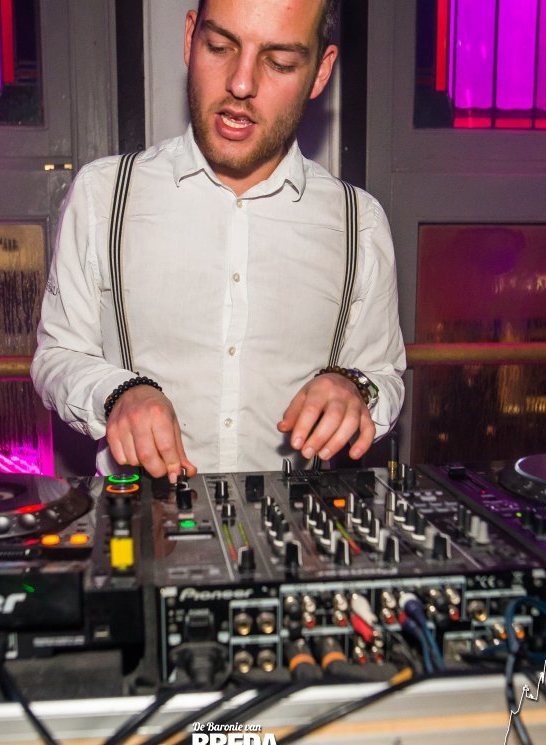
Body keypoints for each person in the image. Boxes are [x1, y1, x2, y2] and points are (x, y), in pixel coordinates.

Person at [31, 0, 405, 481]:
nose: (241, 84)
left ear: (320, 72)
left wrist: (354, 388)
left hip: (299, 522)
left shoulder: (360, 222)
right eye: (220, 47)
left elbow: (384, 376)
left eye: (279, 62)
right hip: (138, 519)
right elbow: (58, 355)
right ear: (190, 38)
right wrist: (117, 392)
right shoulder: (103, 194)